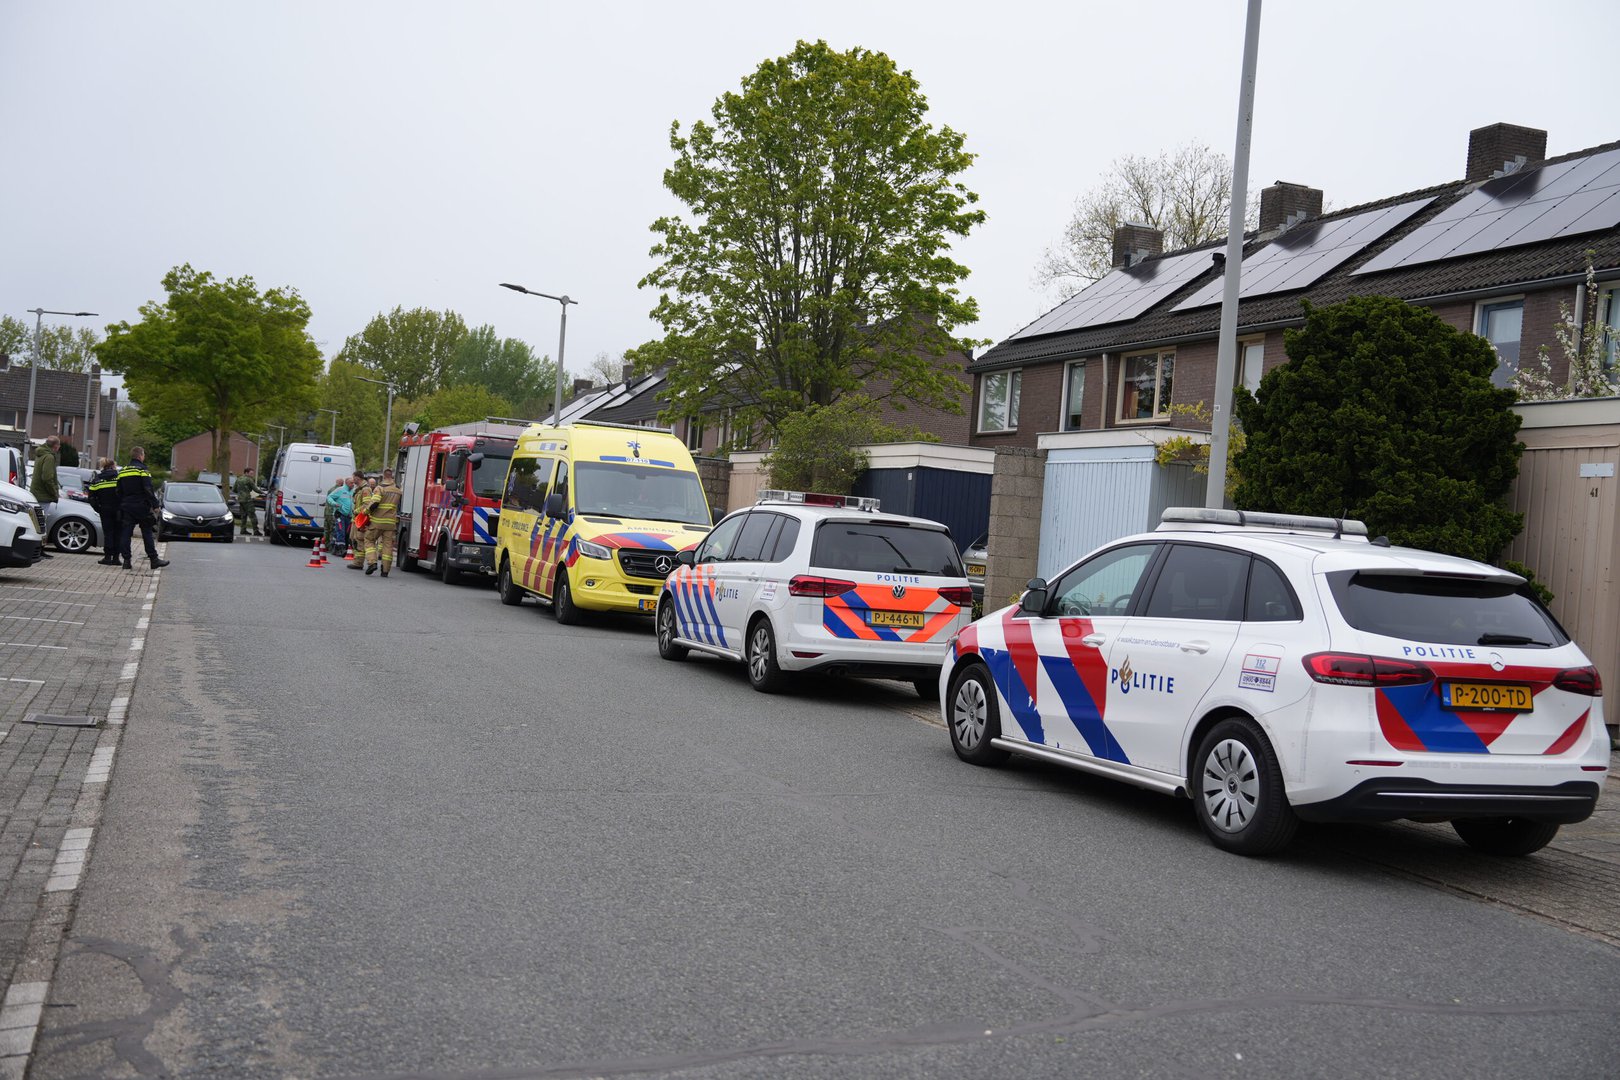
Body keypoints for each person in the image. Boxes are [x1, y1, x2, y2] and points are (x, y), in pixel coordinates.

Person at [115, 446, 170, 570]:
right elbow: (148, 489)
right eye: (143, 455)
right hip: (142, 506)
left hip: (127, 506)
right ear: (140, 456)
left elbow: (118, 490)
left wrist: (123, 502)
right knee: (147, 532)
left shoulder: (122, 471)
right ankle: (154, 560)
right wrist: (155, 505)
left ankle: (126, 561)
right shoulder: (143, 470)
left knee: (126, 533)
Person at [360, 468, 402, 577]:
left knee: (369, 540)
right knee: (387, 546)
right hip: (391, 523)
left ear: (383, 476)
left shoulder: (380, 488)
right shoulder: (398, 489)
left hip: (377, 521)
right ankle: (385, 570)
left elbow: (374, 503)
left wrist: (365, 511)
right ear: (392, 476)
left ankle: (372, 562)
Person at [29, 436, 60, 559]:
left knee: (36, 521)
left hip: (36, 493)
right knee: (41, 523)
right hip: (43, 495)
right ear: (55, 446)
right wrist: (54, 493)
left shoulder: (40, 454)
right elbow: (47, 478)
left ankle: (37, 549)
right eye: (59, 445)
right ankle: (39, 550)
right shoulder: (49, 457)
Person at [87, 456, 122, 564]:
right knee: (118, 534)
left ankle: (107, 557)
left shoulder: (97, 479)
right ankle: (116, 558)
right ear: (113, 466)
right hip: (119, 510)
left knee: (108, 533)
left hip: (105, 510)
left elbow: (91, 497)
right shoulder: (120, 478)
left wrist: (99, 509)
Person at [324, 477, 354, 555]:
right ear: (346, 483)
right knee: (341, 531)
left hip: (349, 516)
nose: (353, 484)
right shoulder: (340, 490)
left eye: (353, 483)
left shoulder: (353, 491)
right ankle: (341, 548)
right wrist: (334, 503)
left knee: (345, 532)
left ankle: (334, 545)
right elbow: (329, 497)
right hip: (340, 514)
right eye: (351, 483)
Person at [232, 472, 261, 536]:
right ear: (246, 473)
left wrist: (240, 492)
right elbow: (256, 489)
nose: (252, 475)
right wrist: (263, 492)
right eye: (251, 473)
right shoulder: (249, 480)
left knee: (243, 516)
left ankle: (243, 530)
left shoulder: (238, 479)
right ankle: (256, 531)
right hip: (247, 500)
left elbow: (234, 489)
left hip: (241, 500)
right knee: (252, 516)